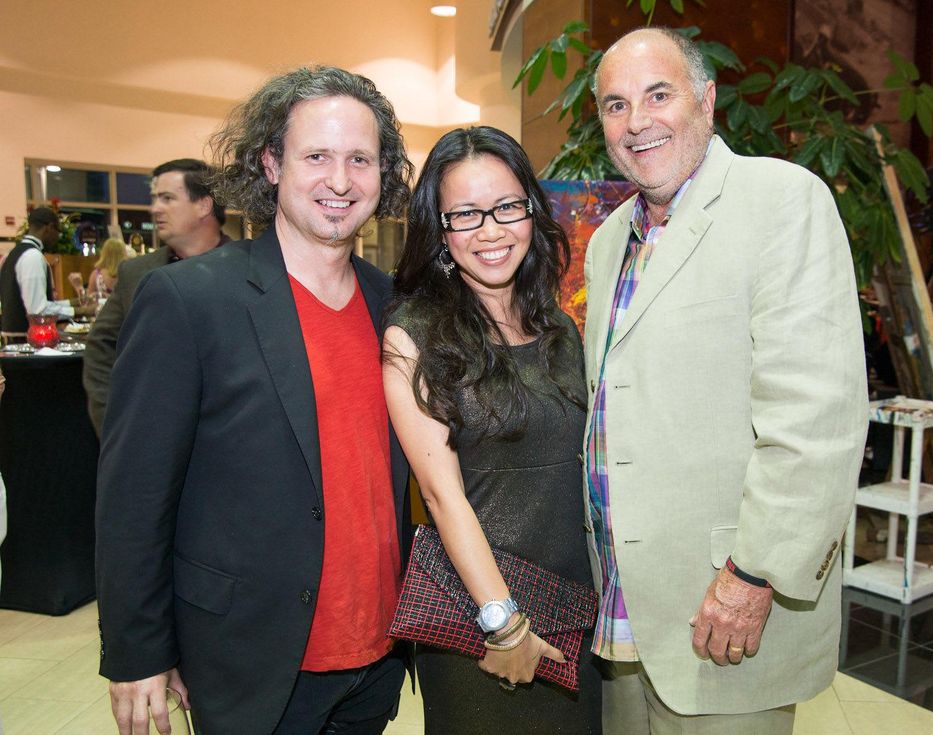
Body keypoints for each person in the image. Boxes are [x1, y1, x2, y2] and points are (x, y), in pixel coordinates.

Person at [95, 66, 414, 735]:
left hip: (377, 658)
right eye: (317, 156)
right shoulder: (190, 301)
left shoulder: (395, 305)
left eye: (361, 160)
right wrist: (138, 652)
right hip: (252, 659)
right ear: (270, 164)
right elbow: (133, 494)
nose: (340, 181)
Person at [583, 28, 868, 734]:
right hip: (624, 606)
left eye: (658, 94)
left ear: (707, 100)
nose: (637, 121)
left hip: (727, 607)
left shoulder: (782, 202)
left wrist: (754, 573)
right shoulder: (608, 239)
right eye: (616, 105)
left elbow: (816, 419)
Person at [383, 126, 602, 734]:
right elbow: (442, 496)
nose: (491, 230)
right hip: (482, 620)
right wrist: (502, 621)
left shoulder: (558, 326)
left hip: (575, 608)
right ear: (440, 229)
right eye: (466, 214)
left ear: (531, 211)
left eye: (507, 207)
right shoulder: (413, 334)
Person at [82, 159, 230, 437]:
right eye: (155, 199)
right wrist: (113, 423)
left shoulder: (250, 271)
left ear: (204, 205)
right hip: (152, 441)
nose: (155, 209)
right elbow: (101, 348)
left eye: (168, 198)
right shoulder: (135, 273)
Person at [0, 207, 95, 336]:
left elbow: (31, 301)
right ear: (49, 227)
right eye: (58, 231)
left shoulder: (13, 254)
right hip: (26, 341)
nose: (57, 237)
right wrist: (82, 311)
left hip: (13, 339)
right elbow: (38, 311)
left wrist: (72, 302)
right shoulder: (32, 256)